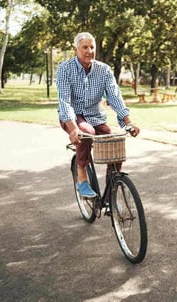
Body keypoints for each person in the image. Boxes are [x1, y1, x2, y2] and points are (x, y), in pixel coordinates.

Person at [57, 32, 140, 198]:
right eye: (84, 47)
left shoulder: (104, 70)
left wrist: (128, 122)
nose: (89, 51)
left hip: (96, 116)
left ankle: (110, 194)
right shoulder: (65, 69)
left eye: (92, 47)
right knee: (86, 131)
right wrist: (73, 128)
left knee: (113, 143)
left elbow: (115, 97)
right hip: (73, 117)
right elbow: (64, 101)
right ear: (75, 49)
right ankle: (82, 178)